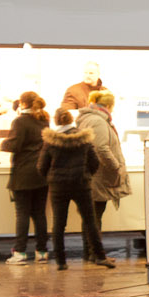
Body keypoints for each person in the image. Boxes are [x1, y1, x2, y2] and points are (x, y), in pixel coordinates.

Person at [39, 109, 102, 270]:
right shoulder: (84, 139)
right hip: (81, 184)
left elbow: (41, 166)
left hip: (58, 187)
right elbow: (95, 162)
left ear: (56, 120)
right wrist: (87, 175)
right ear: (71, 120)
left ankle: (61, 261)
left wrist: (51, 178)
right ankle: (100, 256)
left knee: (59, 224)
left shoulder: (51, 141)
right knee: (90, 221)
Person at [76, 90, 129, 263]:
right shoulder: (97, 121)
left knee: (91, 216)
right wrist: (116, 167)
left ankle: (91, 253)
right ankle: (96, 254)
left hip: (92, 175)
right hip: (98, 176)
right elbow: (101, 148)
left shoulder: (89, 118)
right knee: (94, 217)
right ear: (108, 106)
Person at [1, 92, 51, 264]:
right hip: (41, 173)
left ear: (22, 103)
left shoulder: (20, 121)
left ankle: (20, 252)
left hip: (23, 173)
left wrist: (2, 143)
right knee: (39, 213)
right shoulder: (44, 120)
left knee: (22, 213)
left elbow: (13, 145)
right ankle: (42, 251)